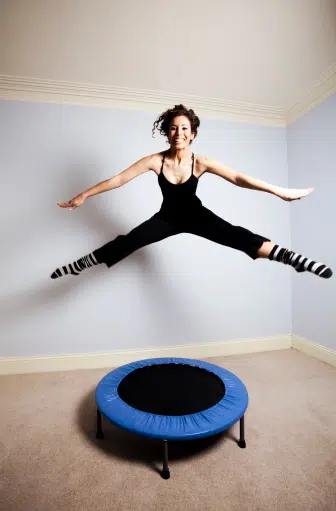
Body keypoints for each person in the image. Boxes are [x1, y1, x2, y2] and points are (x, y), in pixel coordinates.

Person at [51, 104, 332, 280]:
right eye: (173, 128)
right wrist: (84, 195)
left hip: (197, 216)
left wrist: (279, 191)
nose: (179, 133)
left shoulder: (201, 162)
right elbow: (119, 179)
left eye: (184, 128)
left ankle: (292, 259)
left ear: (192, 133)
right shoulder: (155, 161)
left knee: (237, 235)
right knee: (129, 240)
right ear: (167, 133)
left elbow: (237, 177)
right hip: (166, 219)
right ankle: (84, 263)